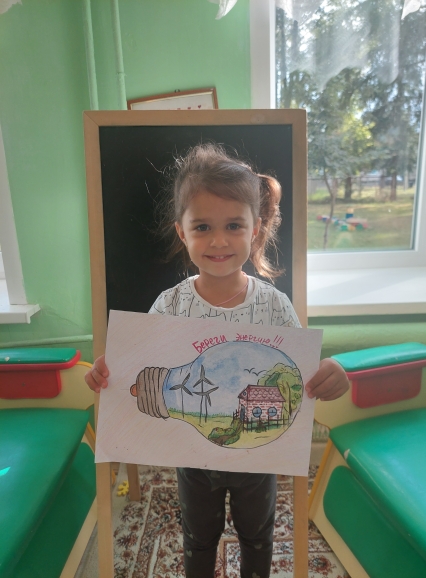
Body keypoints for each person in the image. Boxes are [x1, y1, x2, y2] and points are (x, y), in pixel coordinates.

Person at [85, 143, 349, 578]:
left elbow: (305, 376)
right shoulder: (169, 305)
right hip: (193, 461)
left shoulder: (275, 306)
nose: (219, 240)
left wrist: (333, 372)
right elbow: (137, 369)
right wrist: (107, 373)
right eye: (203, 227)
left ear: (255, 230)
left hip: (259, 461)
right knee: (198, 537)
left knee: (259, 536)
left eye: (234, 225)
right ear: (182, 232)